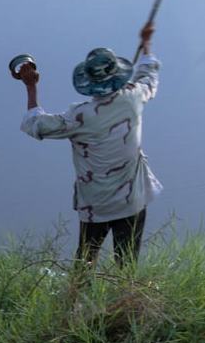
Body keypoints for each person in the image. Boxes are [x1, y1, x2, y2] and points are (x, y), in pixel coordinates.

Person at [15, 21, 161, 265]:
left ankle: (76, 301)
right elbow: (150, 76)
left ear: (89, 82)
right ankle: (126, 300)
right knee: (126, 264)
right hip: (131, 200)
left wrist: (31, 87)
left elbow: (36, 125)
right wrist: (147, 44)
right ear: (118, 76)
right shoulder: (134, 96)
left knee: (85, 261)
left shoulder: (80, 116)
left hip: (97, 205)